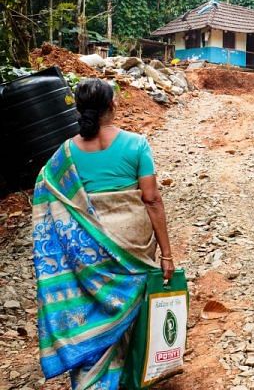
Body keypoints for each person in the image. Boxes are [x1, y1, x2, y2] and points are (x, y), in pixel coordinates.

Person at [32, 78, 175, 389]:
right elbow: (151, 199)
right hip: (133, 244)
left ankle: (93, 381)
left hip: (89, 252)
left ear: (80, 109)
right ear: (113, 106)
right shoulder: (136, 144)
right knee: (131, 313)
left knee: (94, 310)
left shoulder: (64, 154)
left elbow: (48, 197)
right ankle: (131, 378)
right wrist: (166, 253)